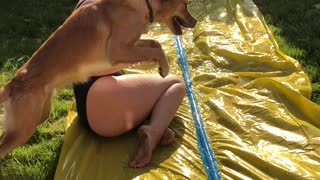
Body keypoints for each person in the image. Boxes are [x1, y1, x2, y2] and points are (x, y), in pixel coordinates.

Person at [73, 0, 186, 168]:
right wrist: (141, 57)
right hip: (102, 102)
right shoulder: (121, 10)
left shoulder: (87, 4)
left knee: (146, 89)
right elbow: (95, 65)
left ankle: (147, 122)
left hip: (85, 109)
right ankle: (153, 132)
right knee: (176, 84)